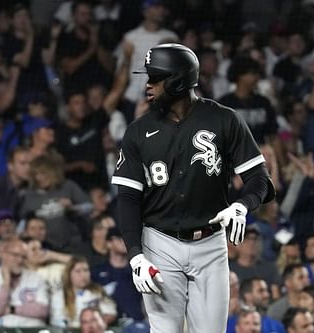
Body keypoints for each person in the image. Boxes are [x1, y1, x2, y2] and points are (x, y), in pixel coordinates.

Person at [111, 43, 275, 333]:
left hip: (210, 244)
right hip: (159, 242)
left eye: (155, 78)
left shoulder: (224, 119)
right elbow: (127, 199)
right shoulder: (138, 131)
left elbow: (260, 180)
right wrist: (136, 254)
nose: (147, 85)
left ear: (177, 80)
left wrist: (241, 205)